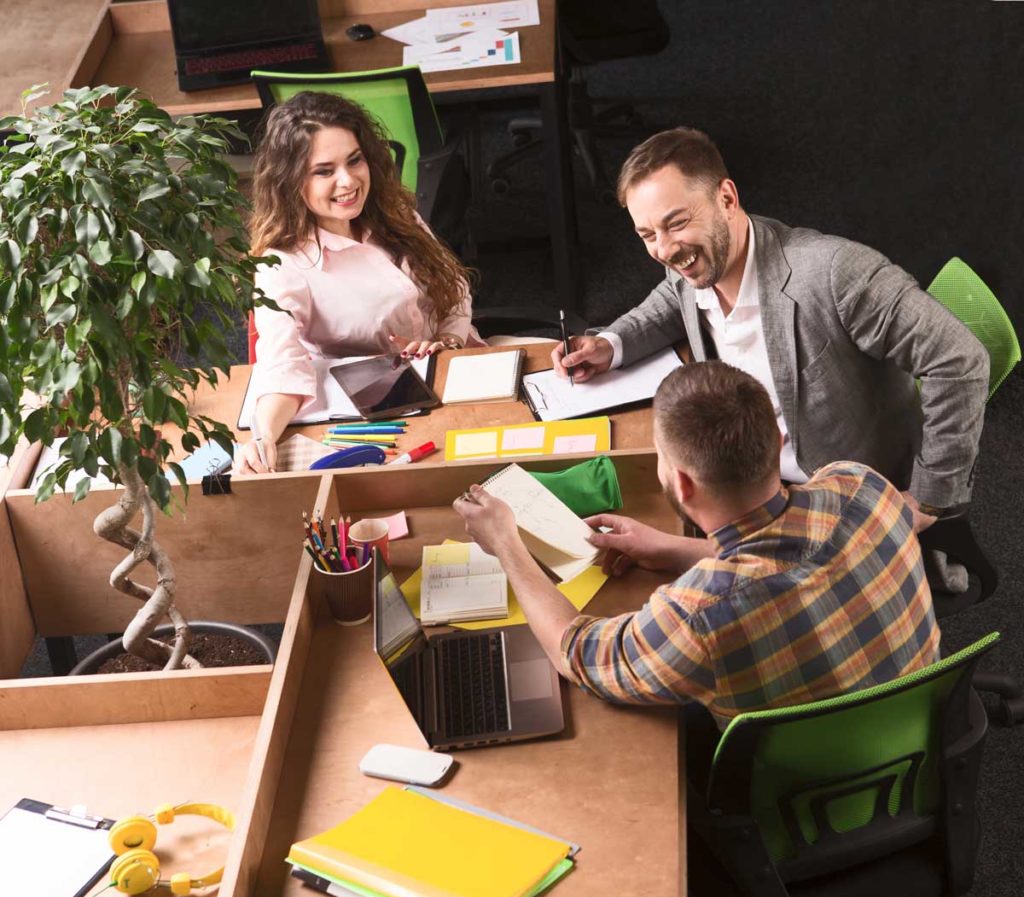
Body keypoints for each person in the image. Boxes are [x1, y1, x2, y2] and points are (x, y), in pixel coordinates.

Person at [453, 362, 940, 727]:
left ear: (681, 485)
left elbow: (575, 652)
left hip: (803, 794)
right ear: (778, 438)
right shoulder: (861, 486)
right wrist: (673, 548)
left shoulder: (698, 615)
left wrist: (507, 544)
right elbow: (791, 561)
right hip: (916, 732)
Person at [551, 127, 988, 533]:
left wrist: (929, 501)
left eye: (677, 223)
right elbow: (672, 297)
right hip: (751, 486)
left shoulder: (836, 274)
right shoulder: (695, 264)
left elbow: (959, 360)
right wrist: (610, 343)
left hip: (840, 507)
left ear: (726, 198)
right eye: (647, 234)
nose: (664, 250)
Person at [238, 91, 482, 473]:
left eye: (355, 161)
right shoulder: (282, 262)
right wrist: (263, 436)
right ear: (290, 181)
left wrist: (448, 340)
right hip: (385, 411)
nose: (348, 180)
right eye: (324, 171)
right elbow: (283, 364)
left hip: (455, 367)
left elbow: (454, 289)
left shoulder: (391, 212)